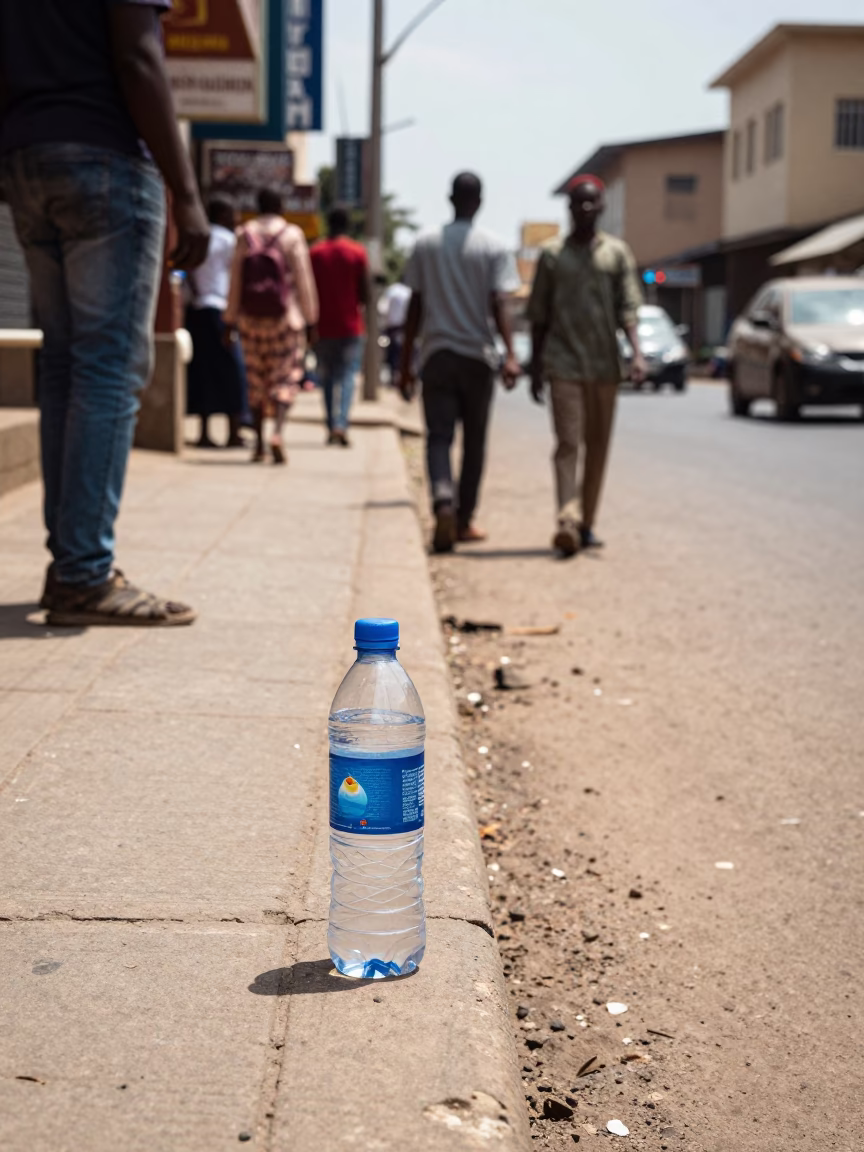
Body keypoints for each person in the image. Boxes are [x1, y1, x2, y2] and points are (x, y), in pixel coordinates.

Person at [0, 0, 209, 627]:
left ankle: (72, 565)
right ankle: (84, 572)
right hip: (104, 158)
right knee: (108, 368)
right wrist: (187, 194)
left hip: (28, 158)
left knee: (65, 366)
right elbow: (137, 55)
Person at [400, 172, 521, 553]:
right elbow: (500, 302)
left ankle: (442, 501)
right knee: (474, 441)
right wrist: (512, 355)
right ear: (480, 202)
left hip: (437, 355)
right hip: (478, 359)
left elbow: (414, 307)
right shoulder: (494, 247)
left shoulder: (426, 243)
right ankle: (465, 520)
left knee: (438, 436)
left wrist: (405, 362)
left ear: (449, 199)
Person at [528, 175, 646, 557]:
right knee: (567, 444)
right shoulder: (551, 255)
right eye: (578, 203)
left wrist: (638, 353)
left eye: (591, 203)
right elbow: (539, 315)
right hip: (563, 364)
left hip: (604, 366)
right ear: (569, 209)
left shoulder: (617, 254)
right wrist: (534, 366)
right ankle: (566, 518)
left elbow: (628, 307)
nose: (584, 210)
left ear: (602, 207)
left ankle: (586, 522)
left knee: (597, 447)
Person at [225, 188, 319, 465]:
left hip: (250, 321)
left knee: (256, 379)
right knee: (285, 378)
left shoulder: (244, 235)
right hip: (285, 321)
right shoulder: (291, 235)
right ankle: (277, 432)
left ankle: (257, 443)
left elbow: (235, 280)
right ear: (281, 207)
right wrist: (311, 319)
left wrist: (230, 319)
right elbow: (303, 280)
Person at [185, 198, 248, 449]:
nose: (236, 219)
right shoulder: (227, 241)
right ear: (222, 214)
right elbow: (237, 278)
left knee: (202, 372)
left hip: (198, 310)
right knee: (232, 373)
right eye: (233, 214)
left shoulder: (198, 238)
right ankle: (233, 431)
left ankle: (203, 433)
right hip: (222, 312)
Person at [309, 207, 369, 446]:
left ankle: (330, 423)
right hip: (350, 325)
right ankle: (340, 424)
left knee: (326, 377)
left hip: (322, 326)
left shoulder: (316, 253)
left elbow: (308, 289)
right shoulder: (357, 252)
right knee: (346, 377)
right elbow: (365, 292)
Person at [382, 278, 412, 384]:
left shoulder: (391, 290)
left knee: (390, 352)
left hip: (391, 327)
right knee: (402, 352)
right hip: (404, 327)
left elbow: (383, 308)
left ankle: (393, 376)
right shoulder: (408, 291)